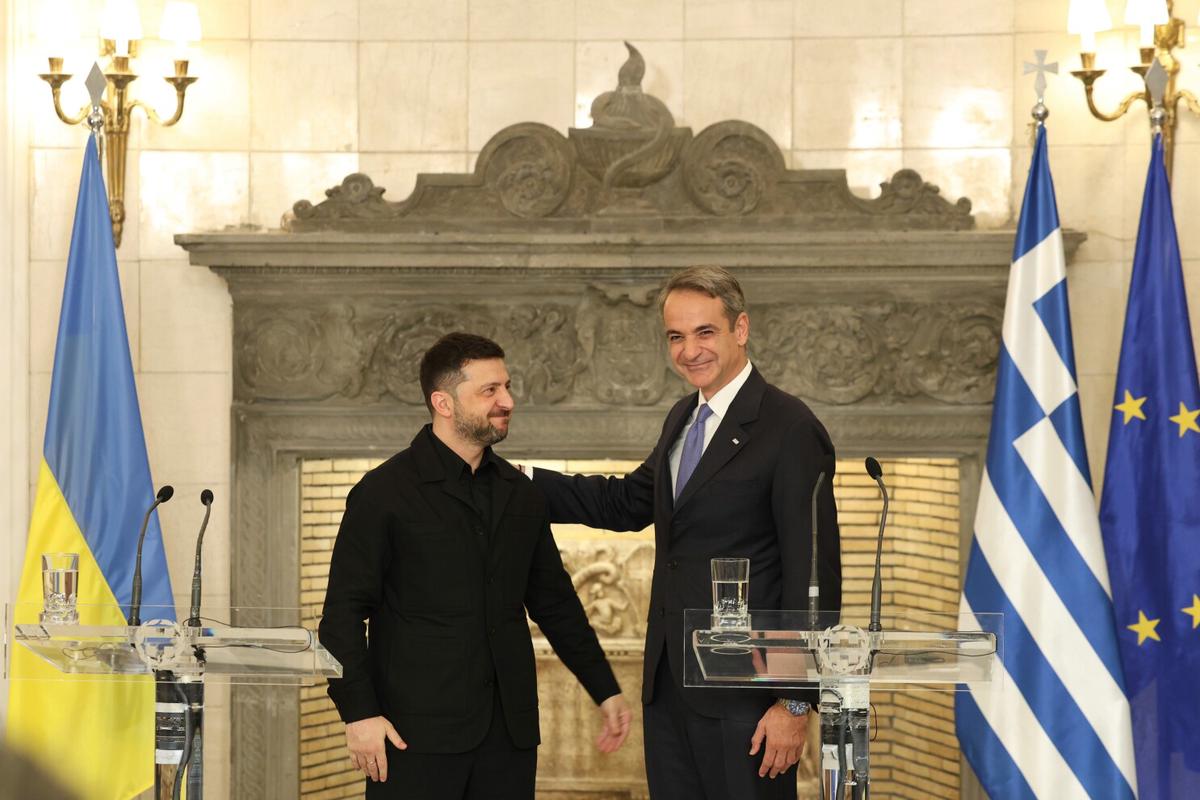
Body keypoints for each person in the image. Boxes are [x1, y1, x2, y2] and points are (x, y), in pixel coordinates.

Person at [528, 265, 841, 800]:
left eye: (705, 332)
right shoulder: (683, 417)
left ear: (740, 329)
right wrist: (522, 481)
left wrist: (794, 701)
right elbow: (628, 502)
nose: (689, 350)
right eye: (676, 336)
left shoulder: (790, 427)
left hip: (747, 699)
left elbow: (811, 576)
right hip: (672, 688)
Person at [319, 332, 632, 800]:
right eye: (490, 390)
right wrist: (359, 713)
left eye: (507, 386)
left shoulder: (521, 494)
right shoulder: (382, 493)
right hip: (413, 737)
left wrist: (605, 689)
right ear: (443, 402)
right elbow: (341, 617)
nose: (507, 401)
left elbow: (556, 605)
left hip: (508, 738)